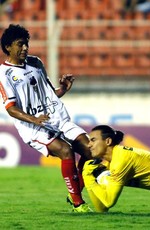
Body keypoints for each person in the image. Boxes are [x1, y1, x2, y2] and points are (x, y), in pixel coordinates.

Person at [0, 24, 92, 212]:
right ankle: (78, 203)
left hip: (56, 118)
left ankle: (73, 192)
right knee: (66, 151)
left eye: (26, 44)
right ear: (8, 47)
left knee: (90, 149)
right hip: (33, 127)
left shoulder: (36, 63)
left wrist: (63, 90)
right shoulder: (4, 74)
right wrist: (34, 120)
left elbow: (49, 94)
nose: (25, 48)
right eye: (20, 44)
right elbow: (11, 108)